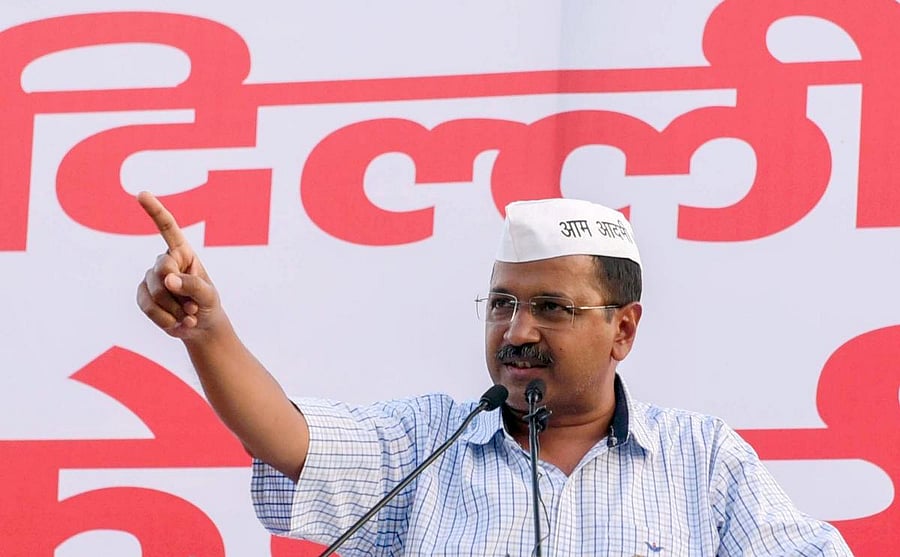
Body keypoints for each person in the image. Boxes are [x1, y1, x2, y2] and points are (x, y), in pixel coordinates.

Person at [137, 193, 853, 556]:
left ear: (623, 328)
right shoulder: (429, 442)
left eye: (550, 308)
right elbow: (288, 437)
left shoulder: (702, 459)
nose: (516, 332)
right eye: (503, 303)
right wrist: (209, 329)